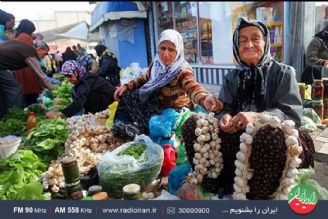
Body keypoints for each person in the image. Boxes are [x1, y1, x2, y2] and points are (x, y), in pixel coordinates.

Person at [183, 17, 314, 197]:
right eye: (243, 40)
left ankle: (257, 198)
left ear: (266, 42)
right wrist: (225, 118)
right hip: (239, 142)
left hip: (272, 144)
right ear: (237, 47)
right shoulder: (232, 77)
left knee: (268, 135)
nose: (249, 44)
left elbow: (291, 114)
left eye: (255, 38)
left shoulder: (283, 73)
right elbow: (224, 109)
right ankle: (215, 184)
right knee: (193, 124)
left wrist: (257, 117)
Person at [113, 29, 223, 135]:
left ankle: (139, 128)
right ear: (158, 49)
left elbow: (192, 87)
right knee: (128, 96)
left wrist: (204, 99)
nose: (166, 54)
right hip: (156, 106)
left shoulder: (182, 70)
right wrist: (126, 86)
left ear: (178, 51)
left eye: (171, 50)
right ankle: (122, 125)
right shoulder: (156, 65)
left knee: (152, 122)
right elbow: (143, 79)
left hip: (173, 111)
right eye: (163, 48)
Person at [0, 40, 53, 118]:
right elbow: (42, 76)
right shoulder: (30, 54)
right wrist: (54, 89)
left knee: (3, 93)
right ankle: (15, 116)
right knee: (16, 89)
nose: (44, 56)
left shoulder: (24, 47)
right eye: (45, 53)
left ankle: (3, 117)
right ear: (38, 49)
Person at [46, 60, 116, 118]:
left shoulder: (85, 81)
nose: (68, 79)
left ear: (76, 71)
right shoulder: (84, 77)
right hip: (106, 107)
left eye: (70, 76)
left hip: (113, 108)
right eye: (66, 76)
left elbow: (79, 102)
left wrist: (59, 113)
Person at [14, 19, 43, 107]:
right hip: (27, 68)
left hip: (19, 67)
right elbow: (29, 55)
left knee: (26, 90)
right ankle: (32, 110)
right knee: (31, 89)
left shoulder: (18, 36)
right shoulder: (26, 37)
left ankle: (29, 108)